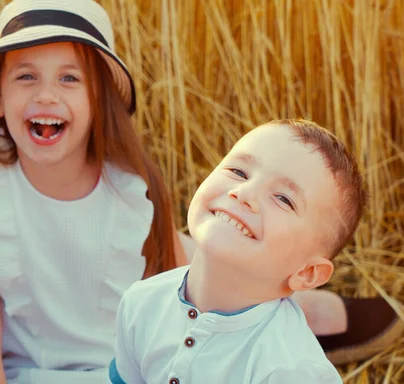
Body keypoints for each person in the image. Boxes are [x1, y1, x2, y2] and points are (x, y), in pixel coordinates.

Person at [0, 0, 404, 384]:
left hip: (107, 357)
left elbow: (184, 281)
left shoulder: (129, 189)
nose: (45, 95)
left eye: (69, 78)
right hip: (27, 365)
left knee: (215, 281)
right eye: (23, 78)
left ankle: (286, 317)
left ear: (99, 102)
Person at [109, 119, 362, 384]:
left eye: (283, 199)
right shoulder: (140, 303)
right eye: (238, 172)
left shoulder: (289, 369)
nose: (243, 193)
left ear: (307, 272)